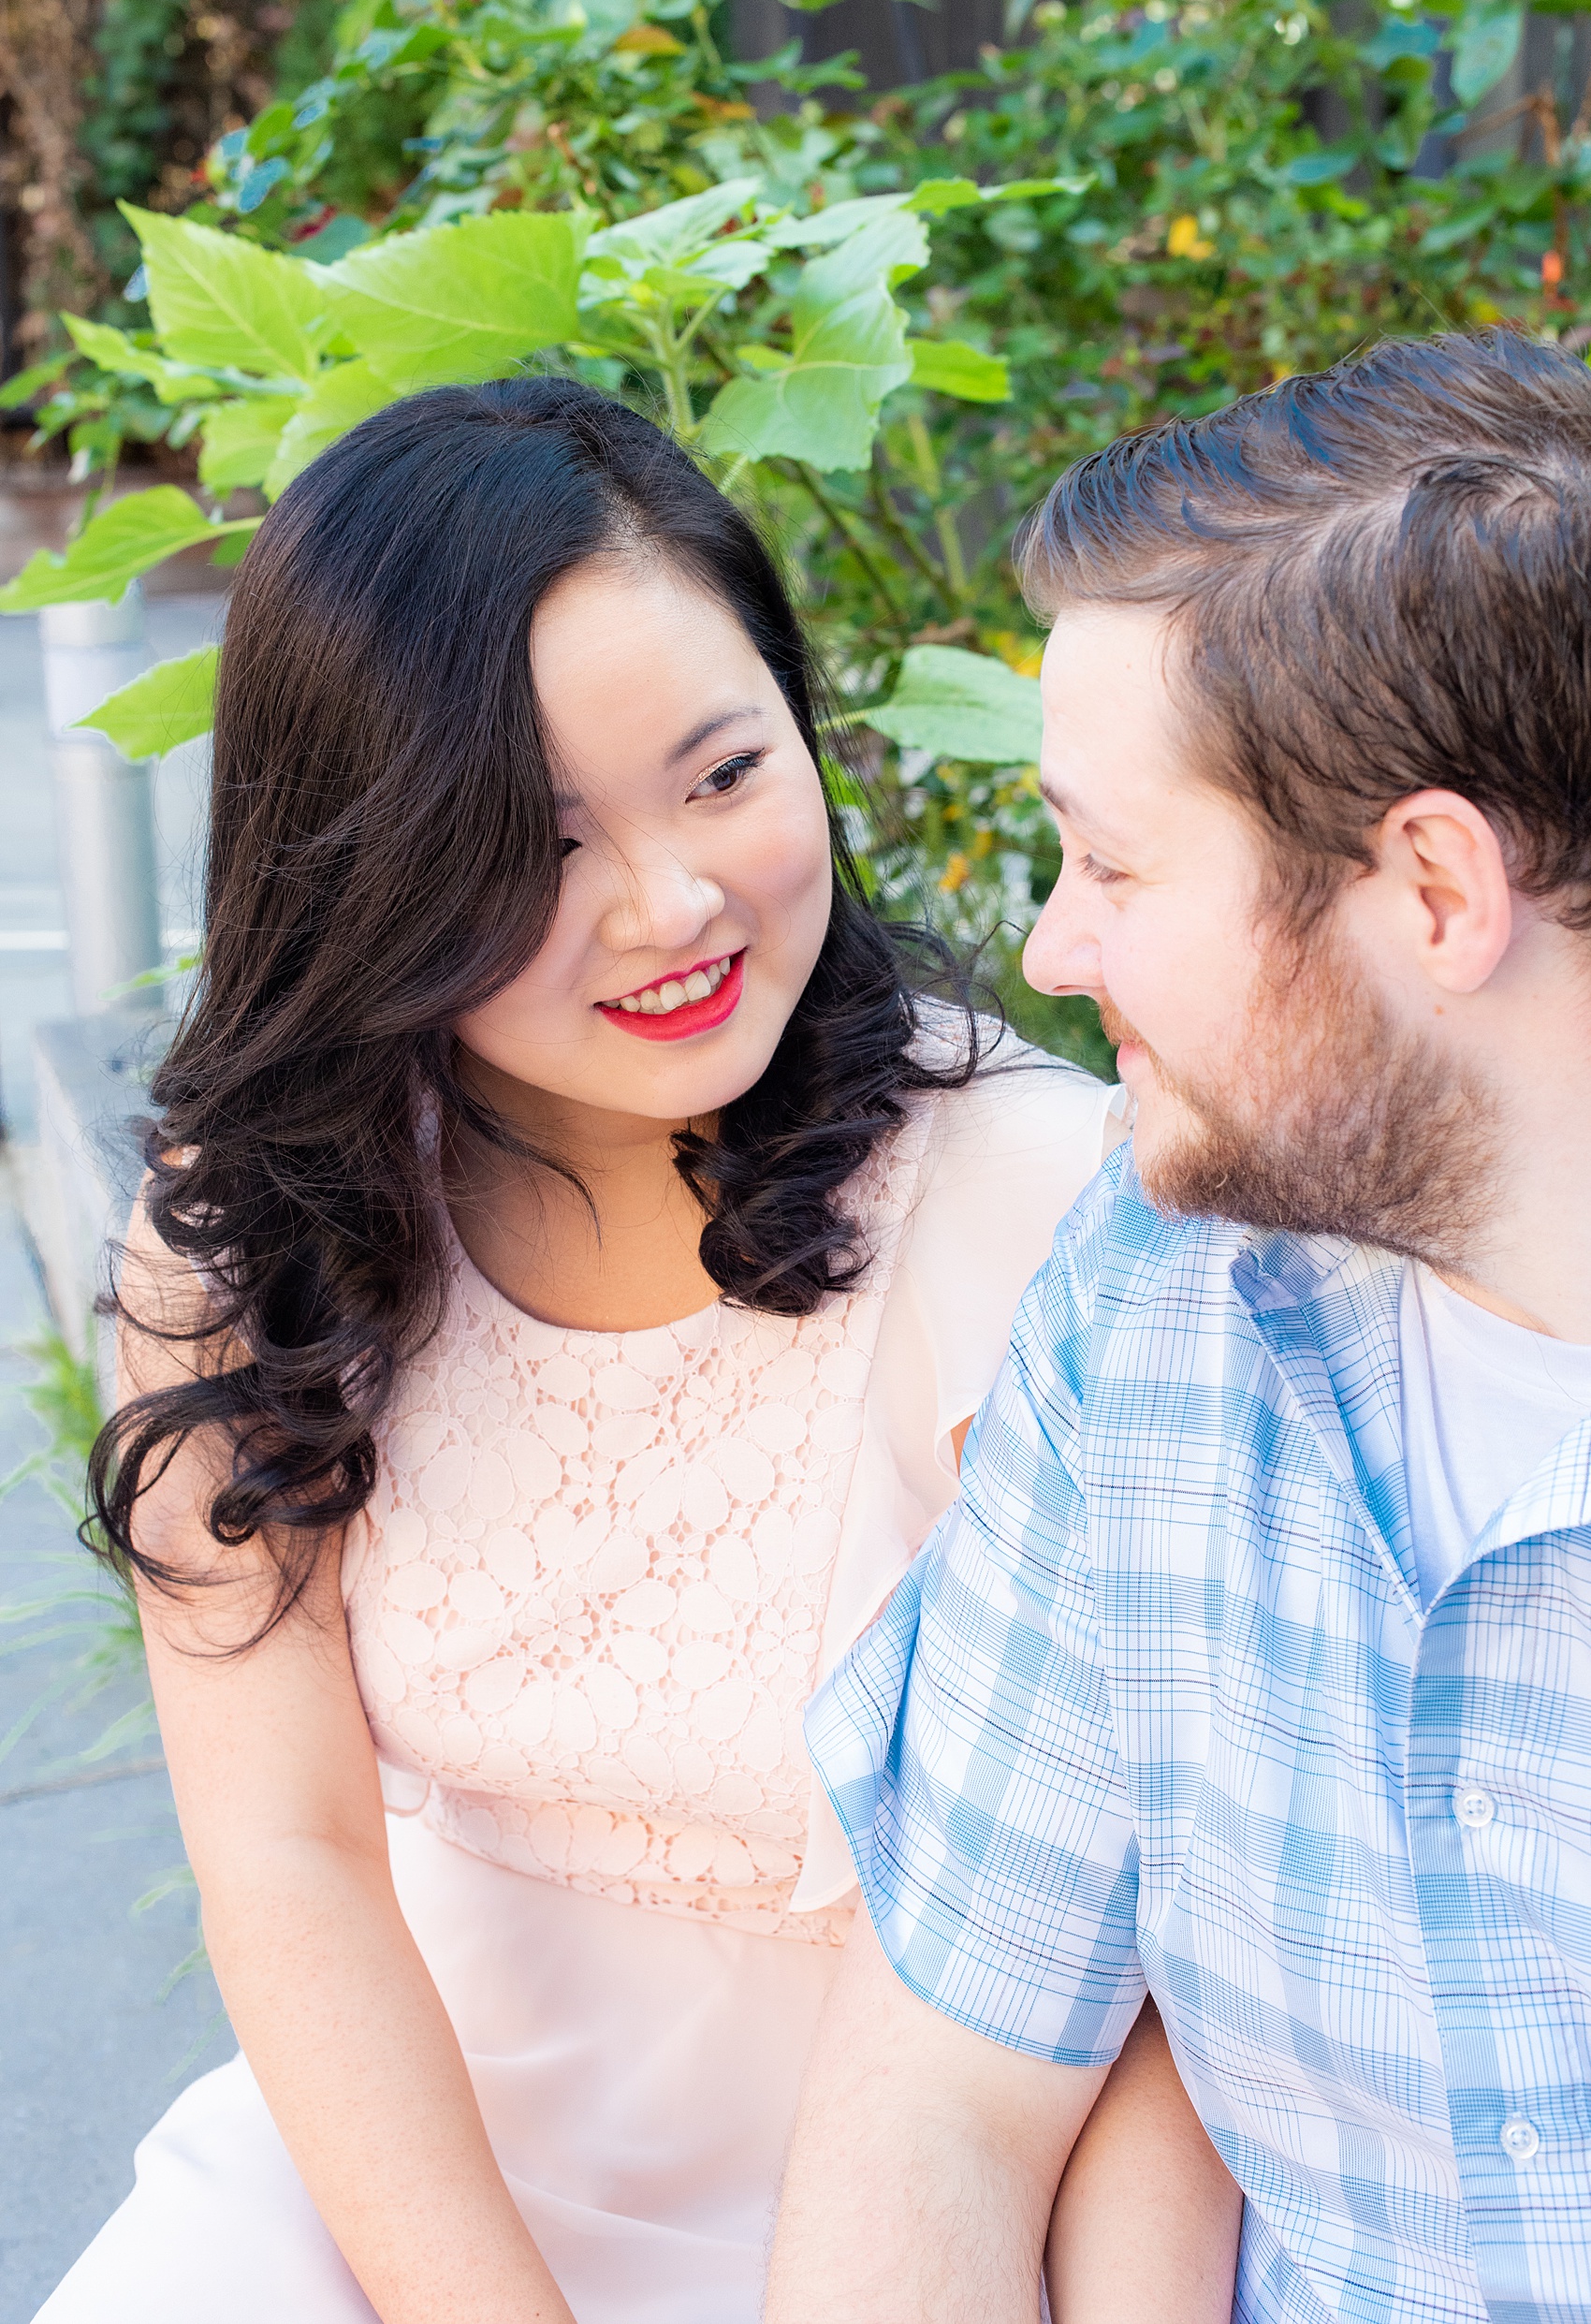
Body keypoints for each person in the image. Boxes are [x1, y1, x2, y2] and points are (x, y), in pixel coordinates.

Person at [37, 379, 1240, 2324]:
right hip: (412, 2170)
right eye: (533, 838)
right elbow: (289, 1856)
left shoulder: (1034, 1204)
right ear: (369, 864)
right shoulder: (254, 1237)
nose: (669, 902)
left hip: (914, 2199)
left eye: (720, 772)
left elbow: (1177, 1951)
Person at [768, 328, 1591, 2324]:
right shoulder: (1149, 1313)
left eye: (1116, 861)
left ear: (1428, 885)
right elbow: (937, 2119)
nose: (1051, 947)